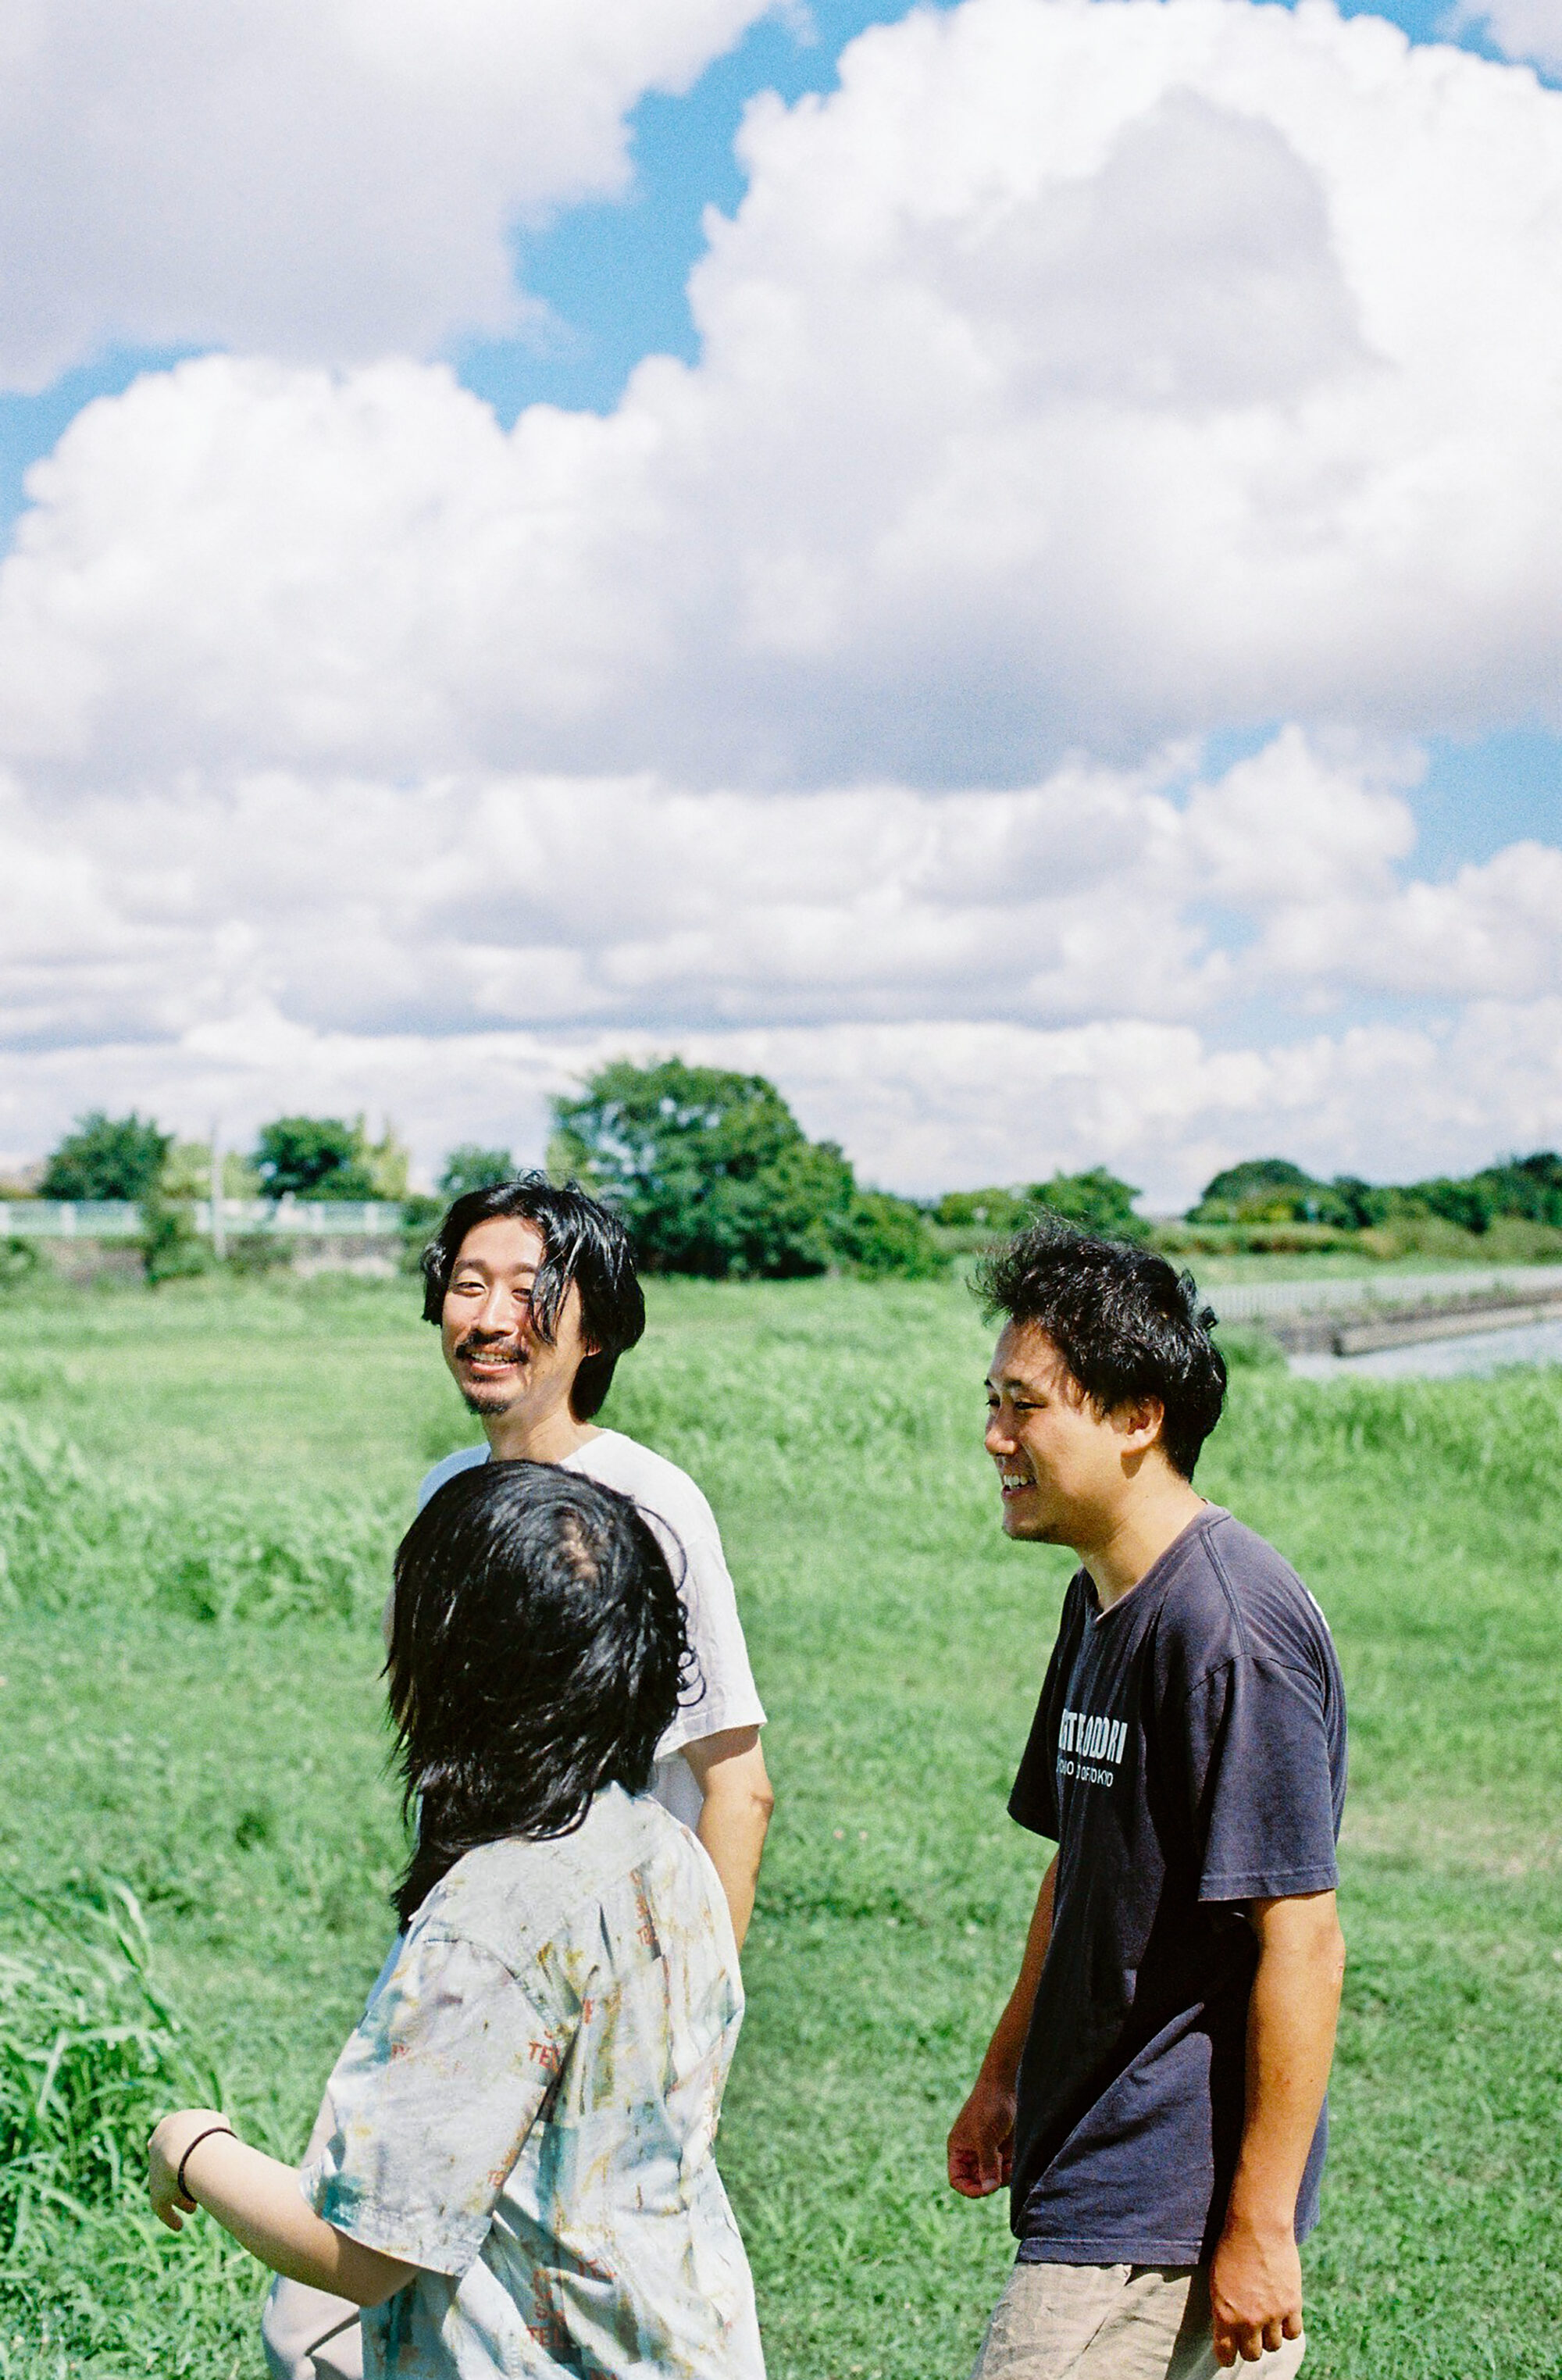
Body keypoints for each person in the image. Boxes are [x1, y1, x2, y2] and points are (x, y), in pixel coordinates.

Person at [265, 1176, 773, 2379]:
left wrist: (685, 2050)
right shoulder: (453, 1493)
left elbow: (735, 1782)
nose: (489, 1314)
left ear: (596, 1329)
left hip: (613, 1964)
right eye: (467, 1281)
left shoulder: (652, 1504)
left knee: (447, 2276)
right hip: (480, 1943)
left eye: (529, 1288)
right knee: (371, 2288)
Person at [151, 1461, 765, 2380]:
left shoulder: (492, 1927)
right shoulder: (659, 1847)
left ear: (459, 1660)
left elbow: (359, 2250)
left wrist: (192, 2144)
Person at [947, 1222, 1346, 2379]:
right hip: (1094, 2153)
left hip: (1161, 2195)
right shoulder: (1104, 1597)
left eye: (1025, 1405)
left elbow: (1304, 1938)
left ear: (1137, 1417)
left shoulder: (1226, 1628)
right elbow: (1080, 1862)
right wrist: (1006, 2067)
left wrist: (1262, 2229)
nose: (995, 1436)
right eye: (992, 1399)